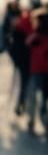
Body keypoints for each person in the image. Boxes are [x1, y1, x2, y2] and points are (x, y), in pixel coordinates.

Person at [25, 9, 48, 137]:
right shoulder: (35, 36)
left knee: (35, 96)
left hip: (38, 70)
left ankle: (36, 119)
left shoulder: (36, 36)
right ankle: (35, 119)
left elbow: (27, 43)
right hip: (37, 70)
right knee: (38, 97)